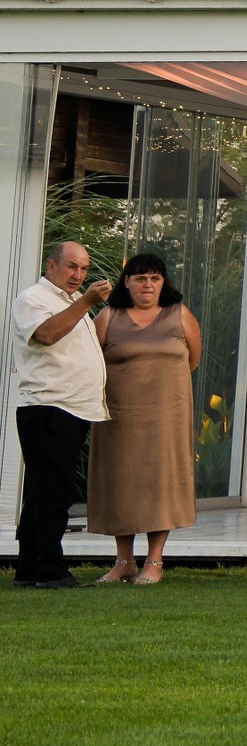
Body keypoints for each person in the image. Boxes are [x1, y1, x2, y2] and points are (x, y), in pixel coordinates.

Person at [87, 253, 203, 585]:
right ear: (126, 283)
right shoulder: (109, 316)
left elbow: (192, 360)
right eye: (140, 278)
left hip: (168, 418)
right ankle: (124, 561)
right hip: (119, 418)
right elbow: (92, 363)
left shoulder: (180, 315)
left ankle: (155, 561)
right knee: (121, 482)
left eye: (154, 277)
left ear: (163, 282)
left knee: (159, 482)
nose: (147, 284)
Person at [11, 241, 111, 588]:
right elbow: (46, 334)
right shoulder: (34, 299)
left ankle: (29, 570)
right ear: (50, 266)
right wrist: (86, 302)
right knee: (53, 492)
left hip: (71, 407)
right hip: (49, 406)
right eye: (71, 267)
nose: (78, 275)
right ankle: (51, 570)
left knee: (42, 491)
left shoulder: (69, 302)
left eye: (83, 268)